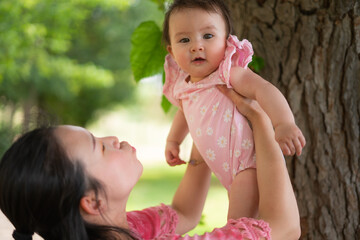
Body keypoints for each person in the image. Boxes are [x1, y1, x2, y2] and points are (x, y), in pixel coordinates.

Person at [0, 86, 300, 240]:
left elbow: (184, 213)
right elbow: (285, 229)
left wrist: (205, 132)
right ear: (91, 201)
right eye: (100, 147)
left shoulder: (124, 229)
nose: (113, 138)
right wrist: (261, 119)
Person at [162, 0, 306, 220]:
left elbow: (263, 89)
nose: (196, 46)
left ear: (226, 41)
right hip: (226, 170)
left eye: (208, 36)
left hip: (246, 167)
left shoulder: (228, 73)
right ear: (171, 51)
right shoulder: (183, 85)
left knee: (237, 227)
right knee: (242, 225)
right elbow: (185, 112)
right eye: (184, 39)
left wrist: (283, 123)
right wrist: (173, 140)